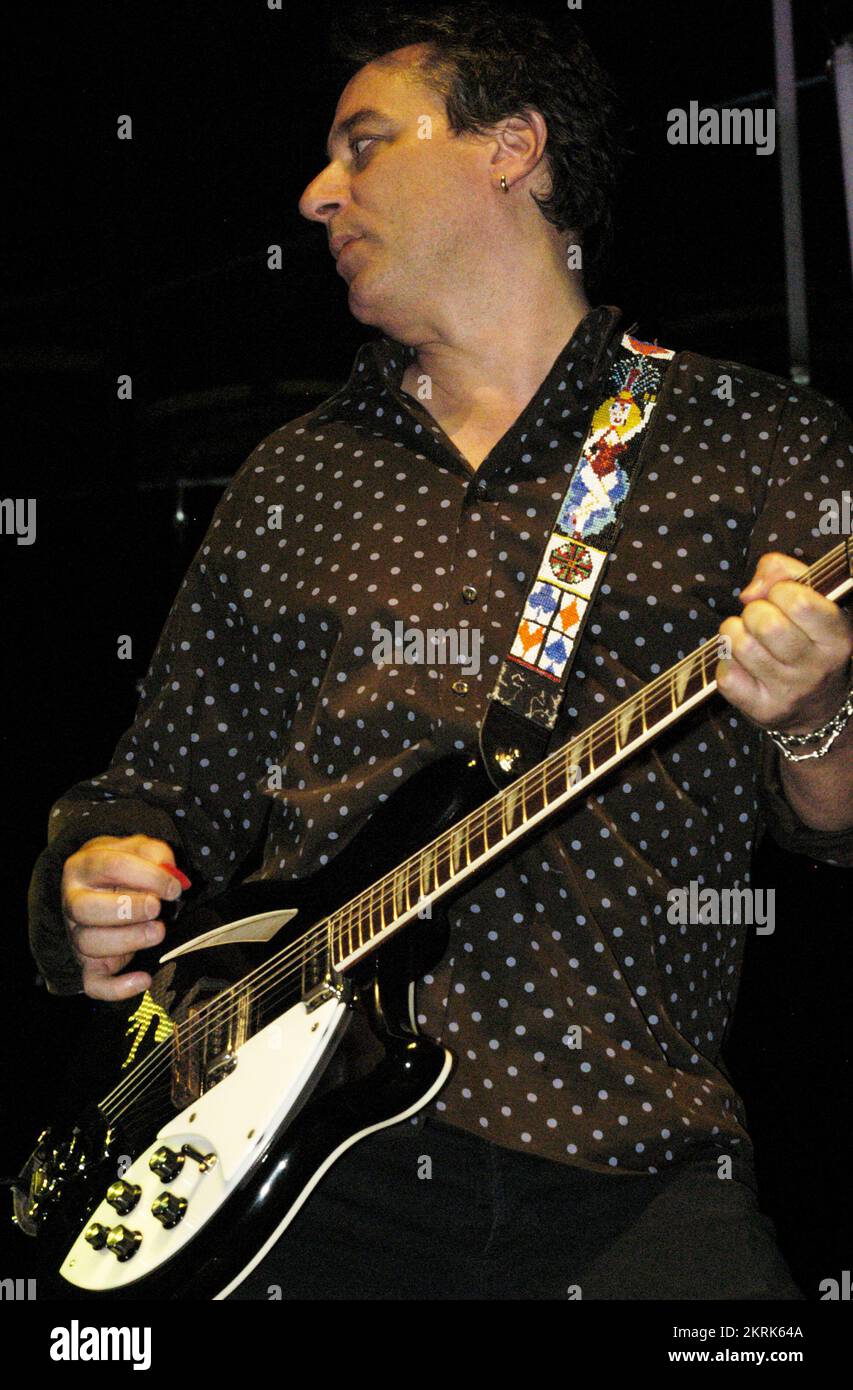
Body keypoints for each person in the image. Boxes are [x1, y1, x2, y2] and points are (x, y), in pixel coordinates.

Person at [28, 4, 853, 1300]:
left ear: (510, 149)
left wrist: (811, 712)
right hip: (297, 1168)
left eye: (362, 146)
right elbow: (155, 784)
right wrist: (95, 873)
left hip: (628, 1161)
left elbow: (837, 819)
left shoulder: (751, 440)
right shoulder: (293, 475)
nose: (316, 194)